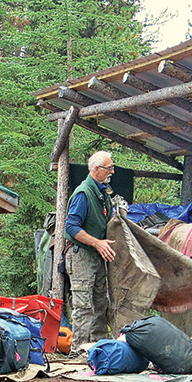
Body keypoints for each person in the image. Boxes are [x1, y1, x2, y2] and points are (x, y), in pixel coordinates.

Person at [64, 150, 116, 350]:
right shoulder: (84, 194)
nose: (112, 171)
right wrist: (97, 242)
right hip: (82, 255)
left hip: (97, 255)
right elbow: (71, 227)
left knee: (100, 304)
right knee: (84, 306)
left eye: (112, 167)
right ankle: (79, 352)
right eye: (109, 168)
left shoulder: (102, 192)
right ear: (96, 169)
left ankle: (99, 349)